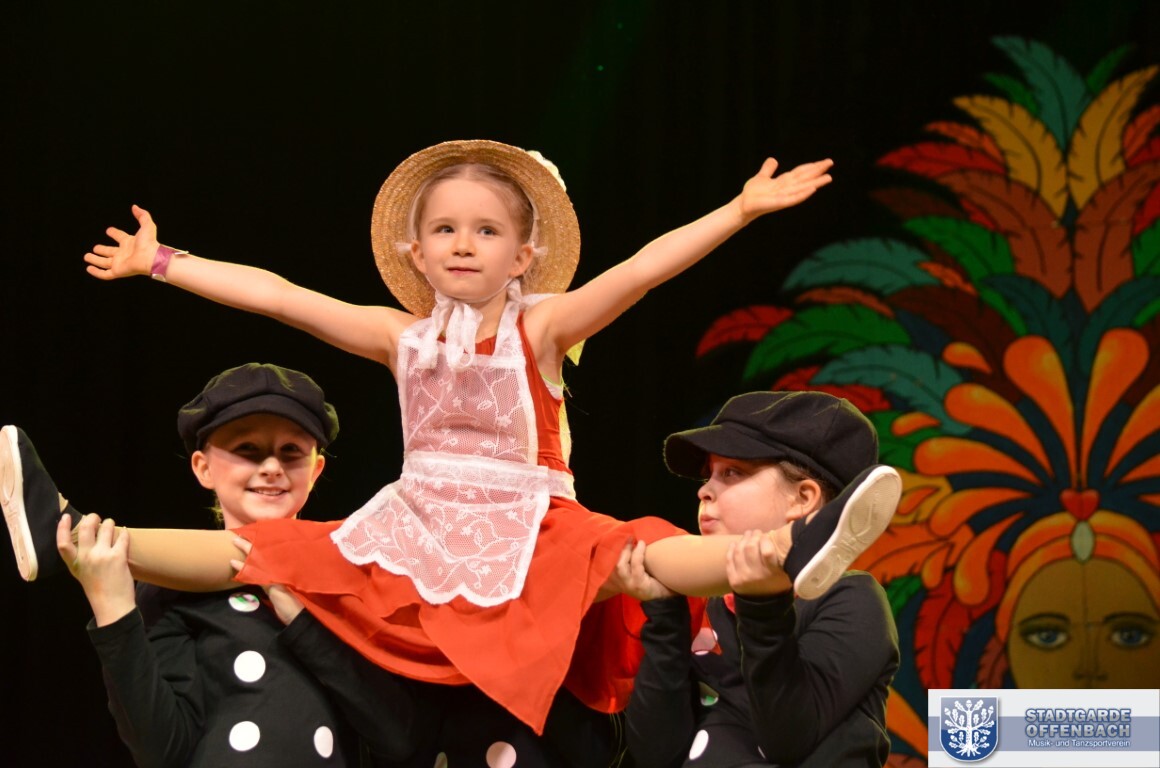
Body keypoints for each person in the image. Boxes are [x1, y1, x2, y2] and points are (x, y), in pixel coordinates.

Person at [3, 140, 895, 736]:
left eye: (487, 231)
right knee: (265, 552)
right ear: (417, 252)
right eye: (445, 230)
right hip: (422, 523)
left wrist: (738, 210)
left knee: (642, 551)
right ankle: (72, 533)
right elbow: (280, 296)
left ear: (522, 256)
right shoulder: (399, 337)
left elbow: (638, 273)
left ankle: (785, 549)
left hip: (531, 520)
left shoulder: (541, 330)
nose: (464, 244)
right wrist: (162, 263)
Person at [27, 363, 417, 767]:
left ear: (316, 469)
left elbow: (397, 738)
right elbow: (161, 750)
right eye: (247, 449)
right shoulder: (171, 589)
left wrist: (305, 625)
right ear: (203, 467)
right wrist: (113, 608)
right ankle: (68, 533)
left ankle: (67, 530)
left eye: (292, 451)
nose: (272, 467)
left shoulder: (346, 584)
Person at [618, 391, 900, 768]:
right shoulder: (702, 604)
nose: (704, 491)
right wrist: (666, 615)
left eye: (732, 472)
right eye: (708, 475)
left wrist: (762, 606)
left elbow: (788, 738)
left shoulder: (852, 597)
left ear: (803, 498)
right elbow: (656, 753)